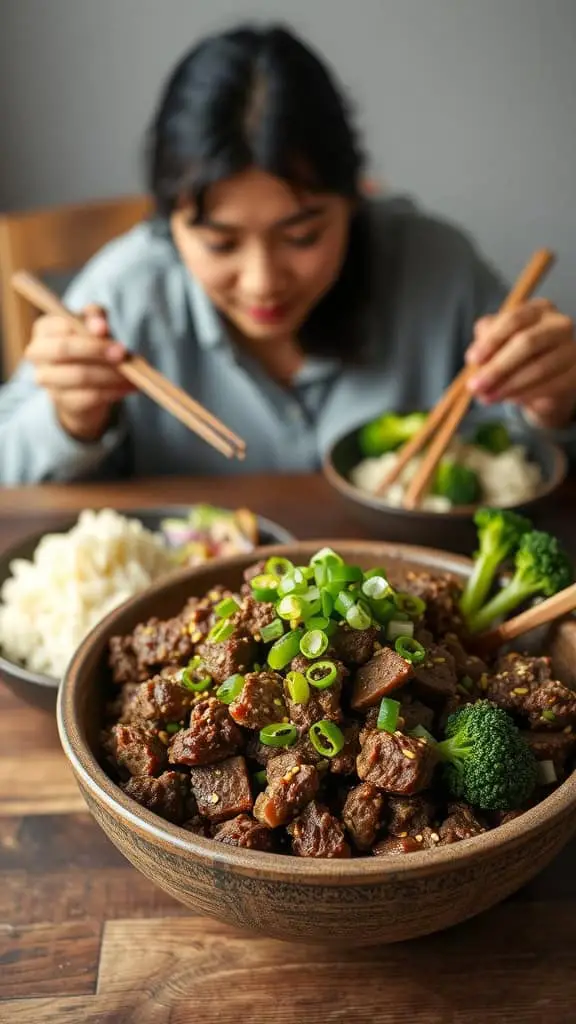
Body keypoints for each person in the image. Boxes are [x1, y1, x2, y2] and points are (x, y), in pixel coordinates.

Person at [1, 24, 575, 484]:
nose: (261, 282)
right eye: (221, 243)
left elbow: (540, 453)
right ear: (169, 221)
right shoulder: (125, 291)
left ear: (357, 196)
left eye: (302, 236)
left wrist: (558, 403)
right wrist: (71, 418)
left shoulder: (438, 267)